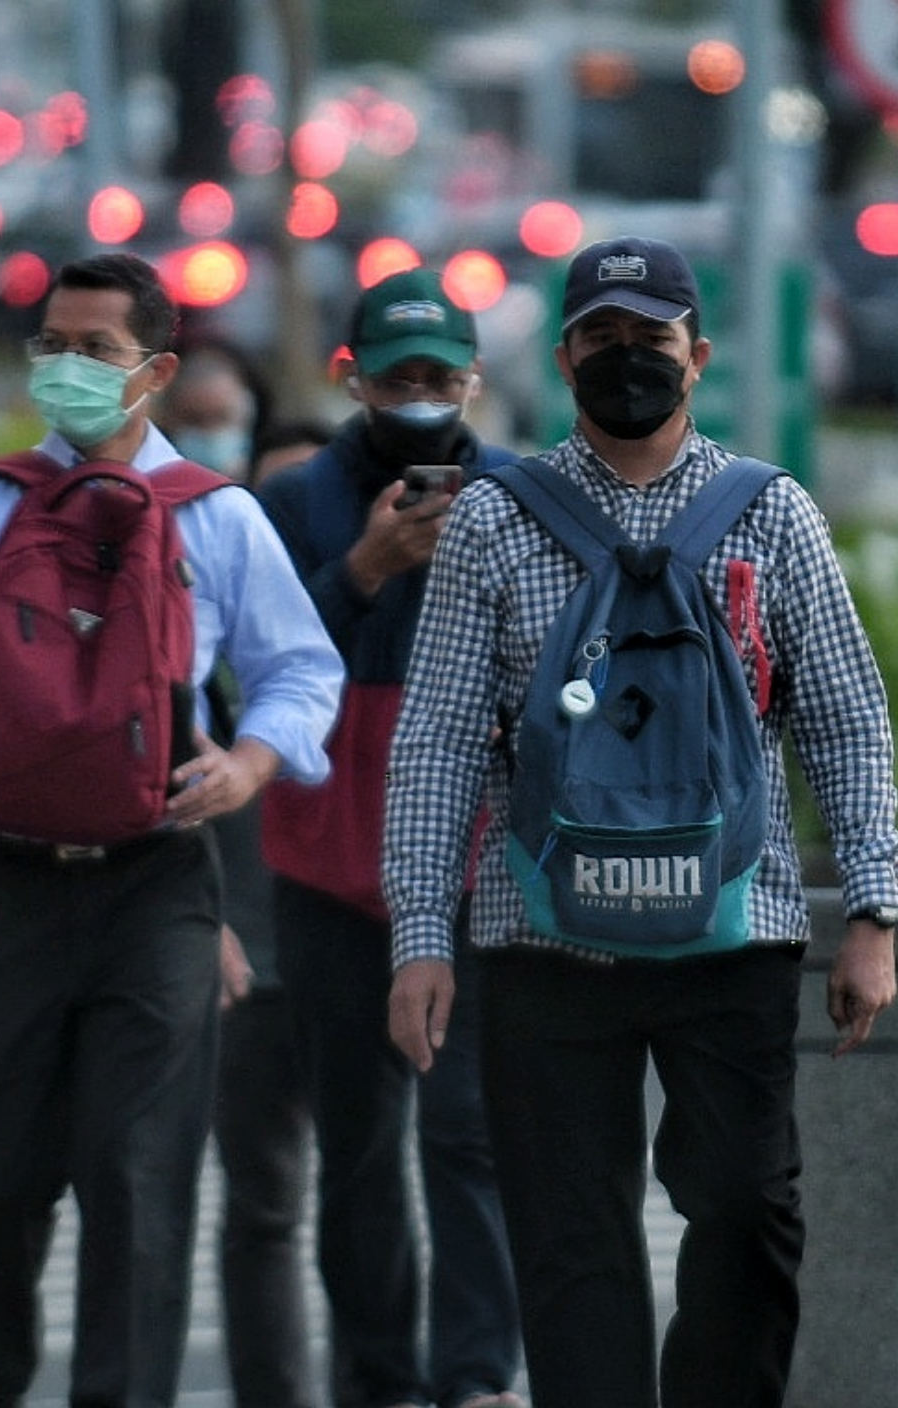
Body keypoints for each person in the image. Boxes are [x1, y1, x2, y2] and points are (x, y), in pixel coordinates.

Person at [383, 235, 898, 1408]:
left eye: (652, 338)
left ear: (698, 355)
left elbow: (845, 715)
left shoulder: (771, 512)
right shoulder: (492, 519)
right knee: (568, 1234)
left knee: (748, 1209)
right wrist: (420, 933)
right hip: (541, 936)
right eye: (603, 337)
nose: (628, 358)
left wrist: (874, 910)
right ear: (564, 357)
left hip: (734, 928)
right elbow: (439, 736)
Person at [0, 253, 343, 1408]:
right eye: (53, 344)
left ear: (158, 369)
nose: (68, 367)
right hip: (6, 882)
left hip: (158, 885)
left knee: (139, 1182)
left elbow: (302, 670)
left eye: (97, 349)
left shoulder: (218, 514)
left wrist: (248, 763)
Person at [260, 269, 524, 1408]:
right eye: (398, 375)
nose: (421, 396)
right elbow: (256, 671)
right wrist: (364, 569)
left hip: (472, 866)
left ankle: (477, 1377)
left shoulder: (518, 497)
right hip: (326, 868)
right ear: (352, 377)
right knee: (359, 1149)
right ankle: (379, 1380)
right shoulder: (290, 503)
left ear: (474, 380)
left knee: (468, 1131)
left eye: (441, 376)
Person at [209, 423, 336, 1408]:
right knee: (262, 1207)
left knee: (378, 1197)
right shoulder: (203, 633)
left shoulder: (392, 617)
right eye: (270, 502)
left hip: (366, 951)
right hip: (245, 957)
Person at [154, 334, 267, 482]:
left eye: (221, 417)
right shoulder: (150, 481)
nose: (209, 432)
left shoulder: (275, 476)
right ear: (168, 419)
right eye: (194, 419)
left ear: (250, 410)